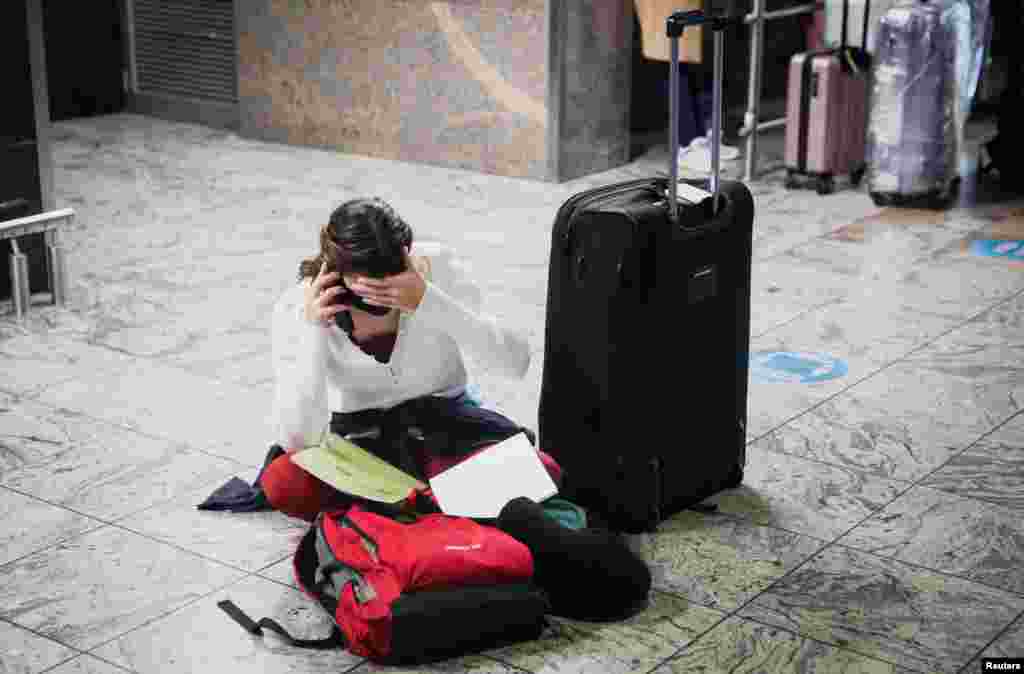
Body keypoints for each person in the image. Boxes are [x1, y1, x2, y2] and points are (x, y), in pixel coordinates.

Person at [258, 197, 537, 521]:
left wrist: (429, 300)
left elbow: (516, 362)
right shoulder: (299, 306)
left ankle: (402, 512)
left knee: (540, 467)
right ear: (335, 277)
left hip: (444, 428)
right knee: (285, 482)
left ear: (407, 256)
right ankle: (436, 506)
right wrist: (312, 331)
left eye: (391, 295)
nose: (384, 305)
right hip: (359, 447)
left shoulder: (436, 269)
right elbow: (298, 441)